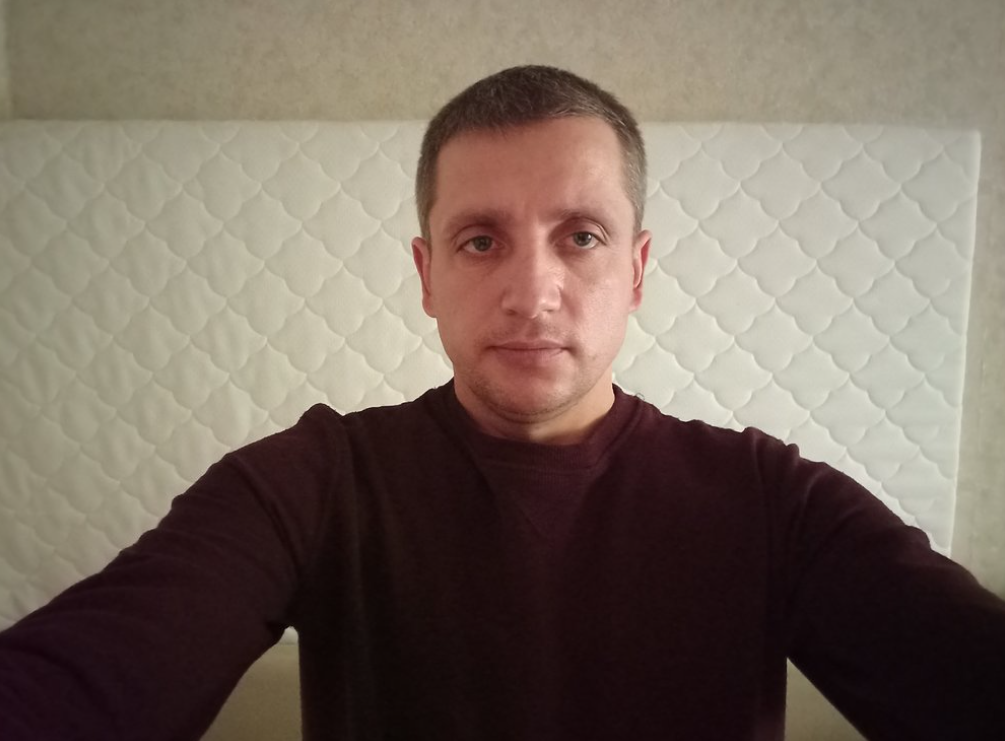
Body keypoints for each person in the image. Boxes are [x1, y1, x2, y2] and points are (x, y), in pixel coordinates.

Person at [1, 65, 1004, 741]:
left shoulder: (771, 500)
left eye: (581, 236)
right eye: (481, 240)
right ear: (427, 274)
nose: (532, 292)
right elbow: (87, 677)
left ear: (637, 270)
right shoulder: (312, 485)